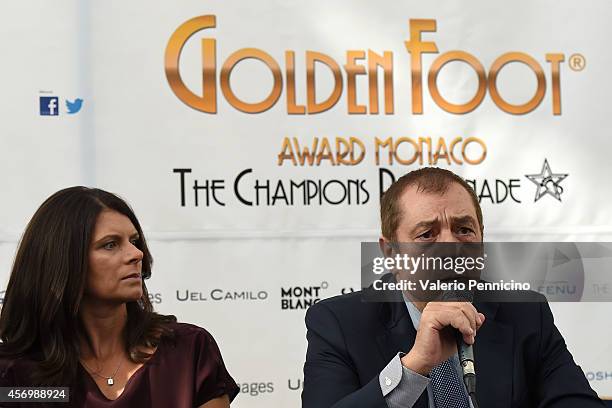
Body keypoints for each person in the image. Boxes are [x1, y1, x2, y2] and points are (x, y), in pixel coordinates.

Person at [302, 167, 603, 408]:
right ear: (391, 253)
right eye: (426, 234)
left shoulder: (524, 313)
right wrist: (413, 367)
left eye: (464, 230)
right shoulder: (338, 323)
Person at [0, 187, 239, 407]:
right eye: (110, 244)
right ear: (63, 261)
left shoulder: (188, 351)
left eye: (134, 241)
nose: (136, 253)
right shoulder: (16, 375)